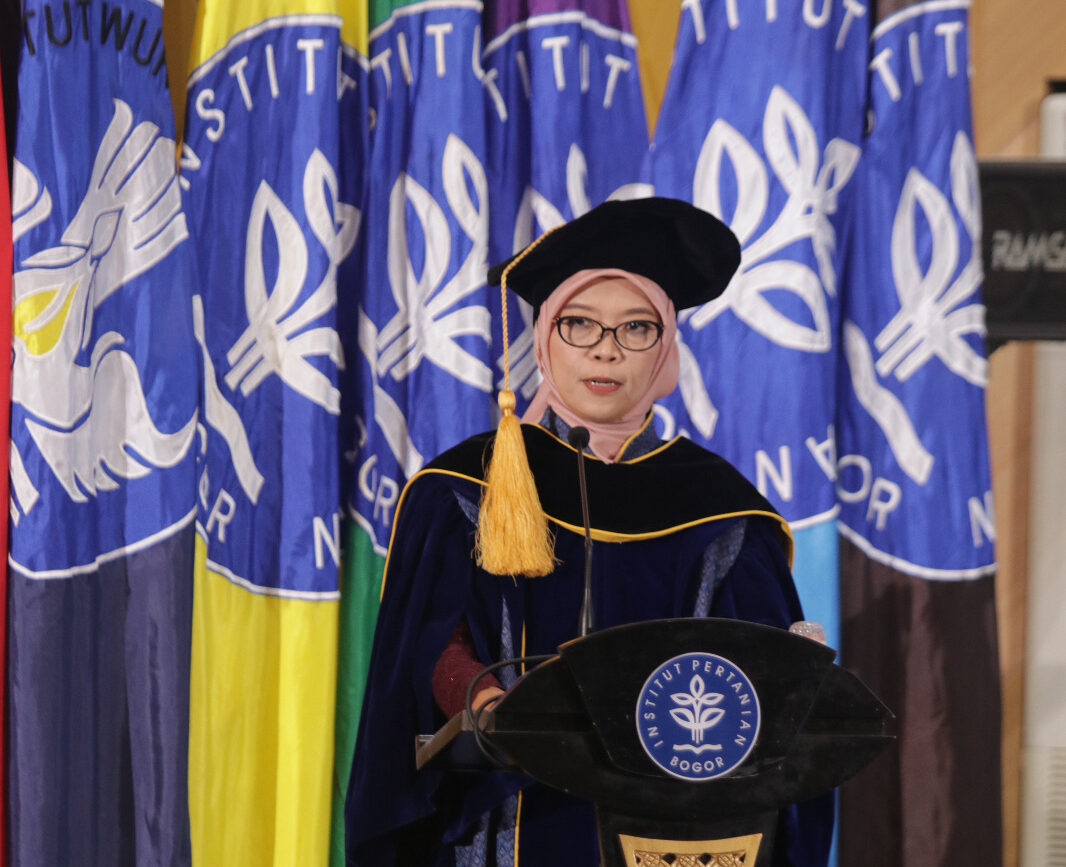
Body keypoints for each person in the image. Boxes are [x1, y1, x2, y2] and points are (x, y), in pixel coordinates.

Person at [345, 198, 832, 866]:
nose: (607, 347)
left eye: (636, 327)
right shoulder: (465, 487)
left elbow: (769, 702)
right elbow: (430, 642)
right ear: (544, 336)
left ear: (665, 346)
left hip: (671, 837)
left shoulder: (722, 512)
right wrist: (483, 697)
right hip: (504, 823)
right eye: (579, 323)